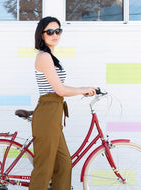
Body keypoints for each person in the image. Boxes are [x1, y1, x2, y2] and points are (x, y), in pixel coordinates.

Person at [29, 16, 98, 190]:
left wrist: (84, 89)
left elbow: (59, 89)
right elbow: (59, 90)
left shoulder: (51, 57)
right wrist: (83, 89)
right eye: (50, 31)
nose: (55, 35)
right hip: (47, 113)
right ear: (42, 35)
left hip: (55, 111)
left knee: (64, 164)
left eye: (58, 31)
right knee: (44, 167)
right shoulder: (44, 57)